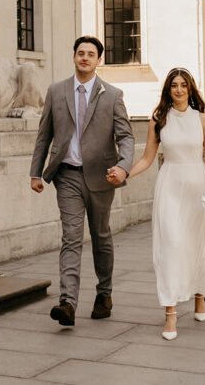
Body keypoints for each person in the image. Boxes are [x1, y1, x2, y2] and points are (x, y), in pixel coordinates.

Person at [29, 36, 134, 326]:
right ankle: (68, 303)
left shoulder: (112, 95)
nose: (85, 58)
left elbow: (125, 137)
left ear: (99, 59)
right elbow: (44, 134)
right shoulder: (56, 91)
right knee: (71, 238)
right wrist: (36, 172)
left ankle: (104, 293)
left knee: (101, 237)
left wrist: (124, 166)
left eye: (90, 54)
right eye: (80, 53)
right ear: (74, 57)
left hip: (102, 177)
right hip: (67, 177)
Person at [122, 67, 205, 341]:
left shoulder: (203, 119)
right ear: (168, 90)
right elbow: (146, 158)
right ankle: (170, 313)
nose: (178, 89)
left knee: (199, 242)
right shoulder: (158, 119)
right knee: (172, 245)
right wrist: (124, 174)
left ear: (190, 89)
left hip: (198, 187)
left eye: (183, 85)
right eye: (174, 85)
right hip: (170, 186)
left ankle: (200, 295)